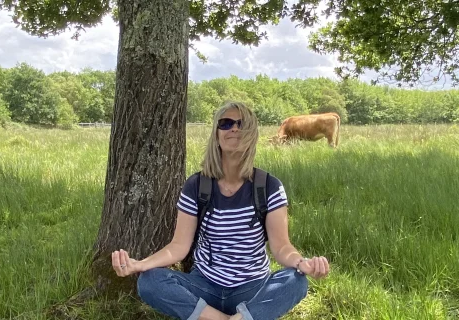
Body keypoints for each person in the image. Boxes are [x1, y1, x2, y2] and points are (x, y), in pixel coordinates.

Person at [111, 101, 330, 320]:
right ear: (217, 134)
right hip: (205, 286)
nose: (234, 128)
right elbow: (178, 246)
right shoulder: (196, 186)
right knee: (149, 281)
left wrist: (303, 264)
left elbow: (282, 247)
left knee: (296, 281)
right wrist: (140, 264)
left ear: (251, 134)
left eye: (241, 124)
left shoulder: (269, 187)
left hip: (252, 288)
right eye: (225, 124)